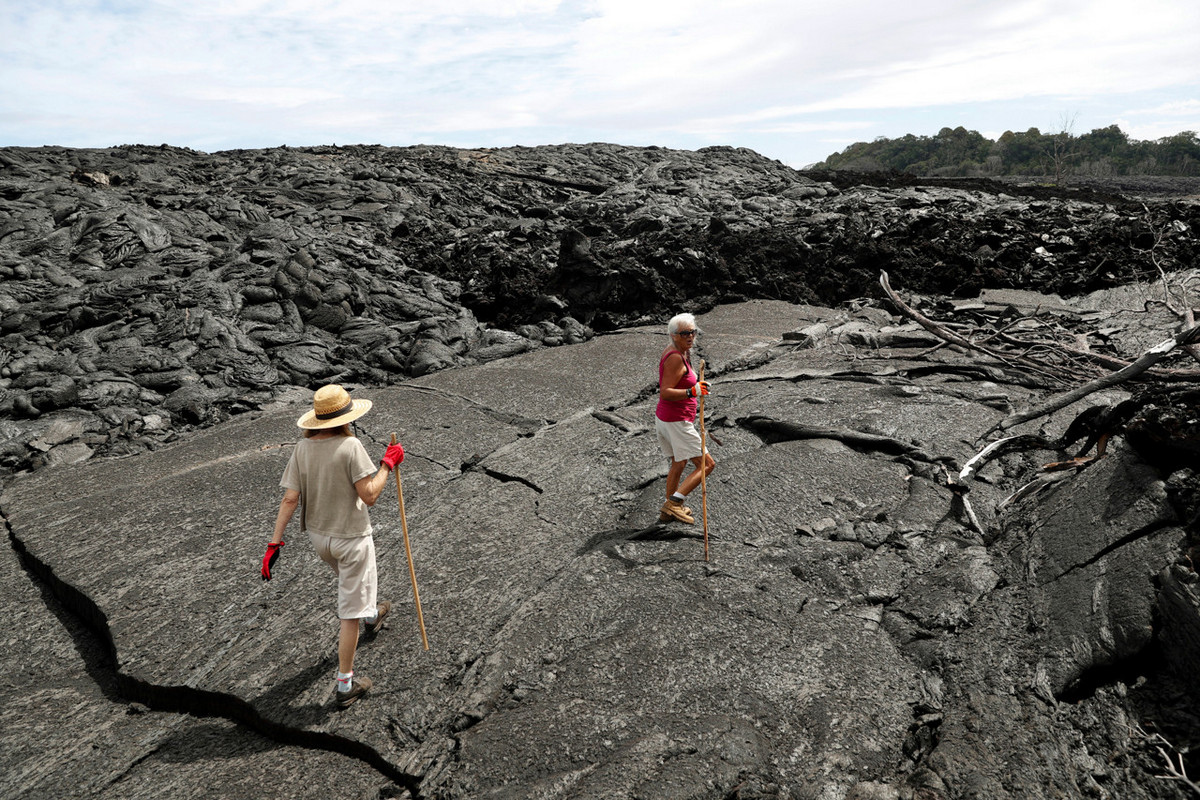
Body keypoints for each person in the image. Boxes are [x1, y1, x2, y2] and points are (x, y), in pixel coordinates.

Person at [260, 384, 405, 708]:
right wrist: (388, 464)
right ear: (346, 418)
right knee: (348, 614)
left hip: (320, 539)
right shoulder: (351, 446)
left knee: (355, 590)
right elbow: (369, 494)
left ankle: (371, 615)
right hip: (351, 540)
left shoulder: (303, 448)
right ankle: (345, 684)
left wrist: (274, 542)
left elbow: (290, 498)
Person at [655, 313, 715, 524]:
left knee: (679, 463)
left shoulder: (679, 351)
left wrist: (698, 389)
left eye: (693, 332)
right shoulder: (674, 358)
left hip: (667, 419)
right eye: (684, 333)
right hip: (676, 421)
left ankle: (666, 514)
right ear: (673, 335)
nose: (690, 336)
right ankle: (674, 503)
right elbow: (665, 392)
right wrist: (692, 392)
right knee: (707, 465)